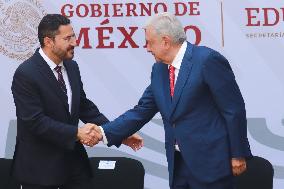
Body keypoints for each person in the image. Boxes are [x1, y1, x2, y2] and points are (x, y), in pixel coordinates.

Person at [95, 12, 252, 189]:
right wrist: (102, 132)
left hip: (211, 165)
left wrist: (238, 154)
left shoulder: (207, 60)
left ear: (165, 41)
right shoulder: (159, 70)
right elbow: (141, 111)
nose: (147, 48)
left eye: (149, 42)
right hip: (179, 165)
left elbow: (233, 109)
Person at [11, 14, 142, 189]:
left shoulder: (72, 66)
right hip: (40, 170)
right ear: (49, 41)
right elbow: (35, 121)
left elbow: (84, 107)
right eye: (67, 38)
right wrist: (77, 133)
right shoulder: (26, 74)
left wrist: (117, 132)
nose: (74, 42)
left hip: (73, 165)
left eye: (73, 35)